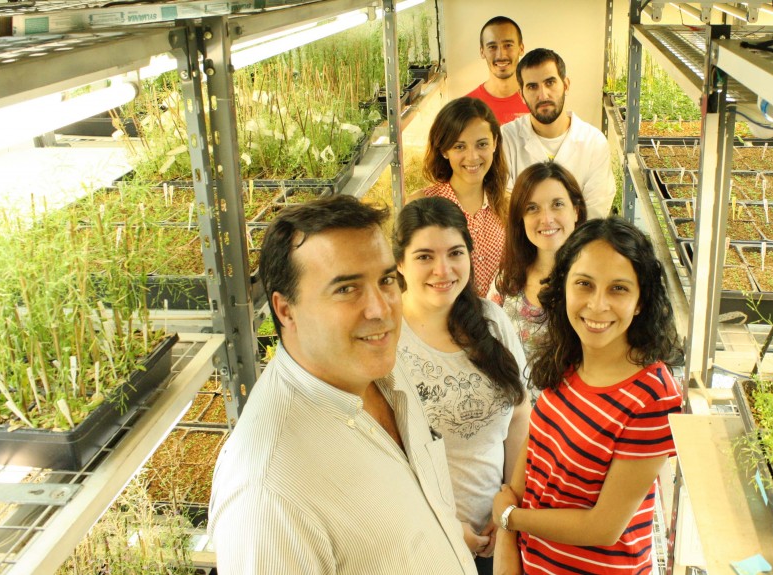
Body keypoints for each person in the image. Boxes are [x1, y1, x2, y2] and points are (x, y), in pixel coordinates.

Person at [208, 196, 476, 575]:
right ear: (285, 310)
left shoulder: (381, 365)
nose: (381, 309)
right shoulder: (267, 492)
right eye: (347, 289)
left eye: (385, 280)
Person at [491, 217, 683, 575]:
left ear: (641, 301)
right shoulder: (567, 357)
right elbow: (534, 452)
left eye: (618, 289)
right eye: (584, 284)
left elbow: (603, 527)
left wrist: (510, 518)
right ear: (563, 285)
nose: (597, 306)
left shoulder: (651, 395)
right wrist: (509, 528)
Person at [392, 197, 531, 575]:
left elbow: (519, 415)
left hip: (496, 535)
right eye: (424, 256)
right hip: (422, 541)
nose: (443, 269)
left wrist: (509, 505)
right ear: (400, 263)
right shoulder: (387, 341)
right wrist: (449, 527)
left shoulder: (492, 321)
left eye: (455, 252)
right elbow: (386, 461)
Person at [486, 162, 587, 404]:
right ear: (520, 218)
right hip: (515, 421)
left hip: (573, 423)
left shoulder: (593, 283)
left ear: (576, 210)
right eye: (532, 208)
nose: (546, 219)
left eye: (557, 204)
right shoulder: (506, 279)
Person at [501, 48, 617, 220]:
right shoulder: (506, 138)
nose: (543, 95)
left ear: (566, 85)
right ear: (521, 94)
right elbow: (507, 206)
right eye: (532, 87)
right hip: (524, 245)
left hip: (578, 245)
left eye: (550, 83)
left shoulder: (594, 142)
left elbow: (594, 213)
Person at [410, 97, 509, 298]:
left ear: (495, 144)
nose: (472, 157)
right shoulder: (421, 204)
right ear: (444, 150)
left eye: (481, 144)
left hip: (499, 322)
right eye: (459, 147)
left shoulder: (509, 205)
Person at [466, 16, 528, 126]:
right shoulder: (466, 108)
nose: (501, 55)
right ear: (482, 52)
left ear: (521, 48)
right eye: (492, 47)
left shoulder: (538, 101)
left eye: (508, 45)